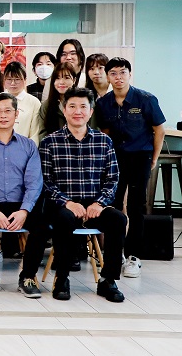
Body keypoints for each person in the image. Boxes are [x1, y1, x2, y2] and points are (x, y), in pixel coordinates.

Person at [40, 87, 126, 302]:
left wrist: (99, 203)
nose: (77, 111)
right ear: (64, 110)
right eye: (72, 106)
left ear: (90, 111)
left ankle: (108, 280)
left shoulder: (104, 141)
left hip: (94, 205)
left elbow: (112, 179)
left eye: (83, 107)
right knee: (64, 219)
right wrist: (67, 202)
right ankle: (62, 278)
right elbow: (45, 182)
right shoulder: (50, 142)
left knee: (118, 219)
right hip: (62, 206)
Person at [95, 57, 166, 279]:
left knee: (136, 206)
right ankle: (115, 254)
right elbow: (105, 134)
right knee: (114, 206)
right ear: (108, 77)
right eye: (113, 73)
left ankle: (134, 256)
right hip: (115, 158)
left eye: (122, 72)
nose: (118, 77)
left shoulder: (146, 99)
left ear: (129, 74)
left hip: (140, 156)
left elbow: (159, 130)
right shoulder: (103, 103)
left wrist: (153, 158)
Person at [0, 92, 46, 298]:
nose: (3, 115)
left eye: (8, 111)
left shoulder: (29, 146)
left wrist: (24, 210)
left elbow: (34, 182)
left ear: (16, 114)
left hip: (21, 204)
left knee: (41, 225)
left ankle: (28, 276)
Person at [0, 62, 42, 144]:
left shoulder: (34, 102)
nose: (13, 83)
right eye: (9, 79)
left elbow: (35, 134)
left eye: (17, 79)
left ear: (25, 80)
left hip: (24, 148)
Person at [38, 62, 77, 138]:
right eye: (57, 78)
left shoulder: (83, 103)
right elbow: (42, 133)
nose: (61, 82)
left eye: (66, 78)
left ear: (74, 80)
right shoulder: (46, 105)